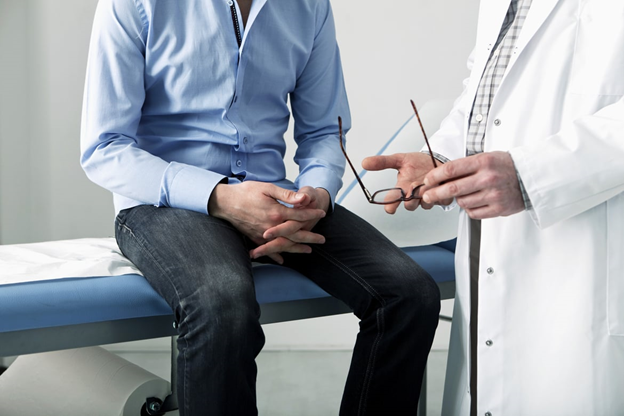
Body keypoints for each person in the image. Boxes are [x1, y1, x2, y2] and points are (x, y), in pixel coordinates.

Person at [80, 0, 441, 415]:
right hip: (163, 203)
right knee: (223, 303)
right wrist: (221, 197)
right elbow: (104, 148)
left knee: (409, 294)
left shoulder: (309, 7)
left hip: (278, 198)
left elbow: (324, 130)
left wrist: (315, 195)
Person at [363, 0, 623, 415]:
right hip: (490, 235)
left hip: (592, 243)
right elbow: (485, 92)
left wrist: (531, 175)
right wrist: (442, 158)